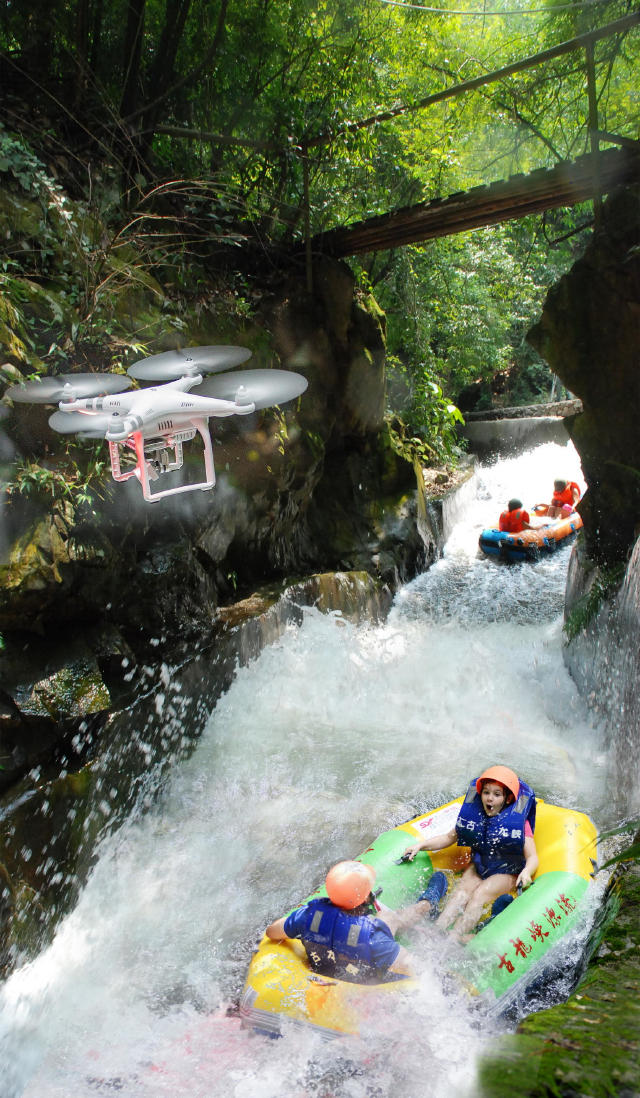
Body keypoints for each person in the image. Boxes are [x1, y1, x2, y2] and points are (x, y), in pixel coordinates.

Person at [403, 766, 538, 942]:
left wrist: (526, 872)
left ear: (507, 799)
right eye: (486, 793)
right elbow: (447, 838)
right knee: (461, 893)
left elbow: (532, 857)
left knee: (481, 894)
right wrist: (420, 845)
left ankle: (454, 937)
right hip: (480, 865)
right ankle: (437, 930)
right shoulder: (474, 816)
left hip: (507, 871)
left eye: (497, 794)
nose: (490, 798)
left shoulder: (519, 823)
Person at [265, 859, 448, 983]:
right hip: (363, 982)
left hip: (328, 973)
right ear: (365, 898)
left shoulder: (308, 916)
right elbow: (418, 969)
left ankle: (423, 906)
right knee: (391, 918)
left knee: (387, 920)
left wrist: (298, 916)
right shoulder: (374, 938)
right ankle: (427, 903)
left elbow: (271, 932)